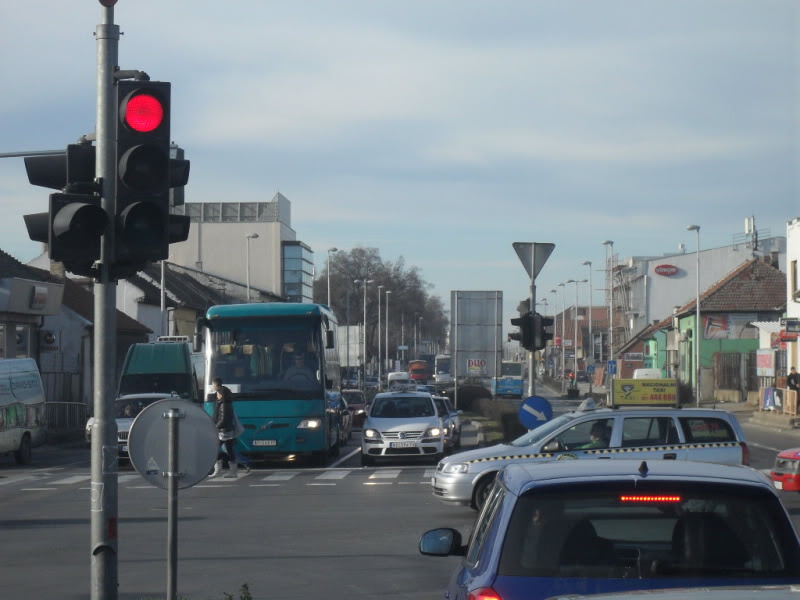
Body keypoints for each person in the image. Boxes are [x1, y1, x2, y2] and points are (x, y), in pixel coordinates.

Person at [210, 377, 239, 478]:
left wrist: (215, 427)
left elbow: (224, 419)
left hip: (224, 431)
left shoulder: (224, 403)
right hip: (224, 430)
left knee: (215, 449)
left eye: (217, 393)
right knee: (227, 450)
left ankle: (222, 471)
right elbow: (217, 416)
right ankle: (230, 471)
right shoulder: (222, 401)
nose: (216, 395)